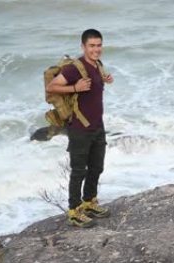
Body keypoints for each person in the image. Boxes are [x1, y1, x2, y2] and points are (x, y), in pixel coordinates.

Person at [46, 29, 114, 227]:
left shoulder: (97, 64)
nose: (96, 49)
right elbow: (51, 87)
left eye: (99, 45)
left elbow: (93, 90)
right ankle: (74, 211)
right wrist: (75, 88)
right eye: (92, 46)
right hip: (80, 128)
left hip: (97, 126)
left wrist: (106, 79)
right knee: (78, 171)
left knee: (96, 167)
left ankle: (89, 202)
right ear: (83, 46)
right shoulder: (74, 68)